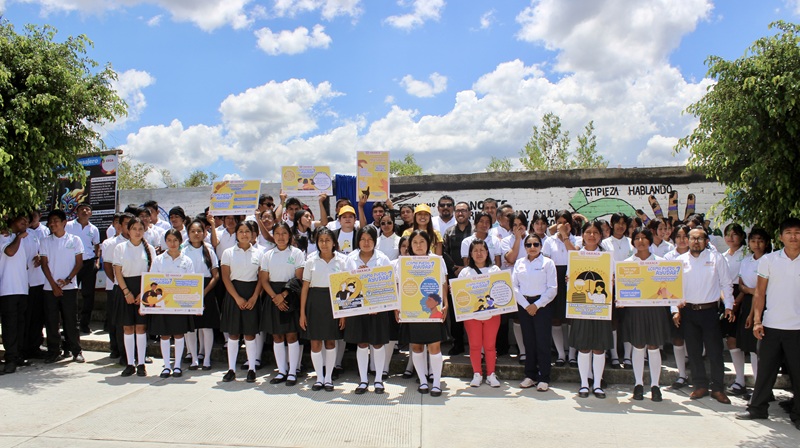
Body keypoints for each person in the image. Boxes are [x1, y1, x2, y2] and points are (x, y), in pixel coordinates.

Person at [736, 217, 800, 430]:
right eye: (789, 233)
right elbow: (760, 293)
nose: (793, 237)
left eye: (797, 232)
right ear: (781, 237)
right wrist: (757, 321)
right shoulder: (769, 260)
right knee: (765, 371)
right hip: (771, 325)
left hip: (797, 328)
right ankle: (757, 408)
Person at [673, 227, 734, 404]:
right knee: (693, 351)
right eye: (692, 238)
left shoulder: (716, 258)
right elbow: (673, 288)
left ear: (706, 241)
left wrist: (729, 306)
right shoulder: (679, 261)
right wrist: (675, 310)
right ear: (687, 241)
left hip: (709, 312)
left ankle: (718, 388)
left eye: (700, 239)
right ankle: (700, 385)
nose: (696, 242)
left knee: (715, 352)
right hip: (688, 312)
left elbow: (726, 283)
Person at [621, 227, 670, 401]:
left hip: (655, 309)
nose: (640, 241)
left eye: (644, 237)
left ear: (650, 240)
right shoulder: (626, 264)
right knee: (638, 346)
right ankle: (638, 384)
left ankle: (655, 385)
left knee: (654, 347)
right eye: (637, 238)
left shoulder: (661, 262)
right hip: (635, 310)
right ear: (633, 241)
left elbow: (669, 288)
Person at [344, 226, 394, 394]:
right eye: (363, 239)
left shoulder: (383, 259)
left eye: (370, 239)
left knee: (378, 343)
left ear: (375, 241)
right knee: (362, 343)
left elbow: (389, 284)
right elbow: (344, 283)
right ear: (358, 241)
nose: (366, 243)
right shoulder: (350, 259)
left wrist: (378, 305)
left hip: (377, 310)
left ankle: (378, 379)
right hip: (357, 308)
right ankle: (363, 380)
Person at [399, 230, 449, 397]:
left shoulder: (437, 260)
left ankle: (436, 383)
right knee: (416, 347)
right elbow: (398, 285)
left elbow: (443, 283)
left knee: (435, 347)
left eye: (422, 242)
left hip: (432, 312)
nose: (418, 245)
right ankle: (422, 381)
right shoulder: (403, 262)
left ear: (428, 244)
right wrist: (397, 307)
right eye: (415, 242)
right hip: (412, 311)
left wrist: (446, 304)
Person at [299, 227, 346, 392]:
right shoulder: (311, 261)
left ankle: (328, 378)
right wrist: (302, 313)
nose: (324, 244)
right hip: (315, 303)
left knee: (331, 341)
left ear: (334, 242)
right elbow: (305, 288)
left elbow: (345, 287)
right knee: (315, 342)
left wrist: (343, 313)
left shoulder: (342, 261)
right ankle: (319, 377)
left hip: (333, 302)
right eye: (321, 240)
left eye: (327, 240)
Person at [570, 221, 613, 399]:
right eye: (588, 232)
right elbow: (571, 280)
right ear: (582, 235)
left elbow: (612, 279)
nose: (592, 235)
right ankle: (584, 383)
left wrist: (612, 280)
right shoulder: (575, 256)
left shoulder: (607, 256)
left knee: (599, 348)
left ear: (601, 235)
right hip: (581, 308)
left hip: (601, 308)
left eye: (596, 232)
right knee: (584, 347)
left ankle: (597, 384)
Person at [259, 222, 305, 385]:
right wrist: (275, 297)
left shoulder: (297, 253)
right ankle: (281, 370)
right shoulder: (267, 255)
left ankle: (292, 371)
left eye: (284, 233)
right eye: (277, 233)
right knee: (277, 335)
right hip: (273, 295)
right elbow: (264, 280)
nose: (281, 237)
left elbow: (299, 277)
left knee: (291, 334)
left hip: (290, 294)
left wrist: (284, 295)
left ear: (289, 235)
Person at [39, 209, 85, 364]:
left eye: (56, 221)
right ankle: (54, 351)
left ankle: (75, 350)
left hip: (69, 288)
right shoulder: (45, 241)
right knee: (51, 321)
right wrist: (54, 285)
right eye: (50, 221)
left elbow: (79, 263)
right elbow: (44, 264)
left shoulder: (75, 240)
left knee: (71, 321)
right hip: (50, 288)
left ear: (64, 222)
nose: (52, 224)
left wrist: (67, 280)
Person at [512, 233, 557, 392]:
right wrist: (526, 305)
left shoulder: (548, 263)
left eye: (536, 244)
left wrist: (536, 305)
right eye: (529, 245)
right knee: (529, 341)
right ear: (524, 247)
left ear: (541, 246)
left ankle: (544, 377)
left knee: (543, 342)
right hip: (524, 306)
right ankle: (530, 375)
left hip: (542, 306)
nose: (532, 247)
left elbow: (552, 289)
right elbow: (514, 287)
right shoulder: (519, 263)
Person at [113, 217, 157, 377]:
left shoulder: (149, 249)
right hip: (125, 289)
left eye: (140, 229)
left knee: (141, 328)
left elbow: (153, 272)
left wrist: (143, 292)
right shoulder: (120, 247)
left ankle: (141, 363)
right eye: (134, 229)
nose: (137, 232)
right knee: (128, 327)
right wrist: (126, 292)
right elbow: (117, 272)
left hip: (143, 289)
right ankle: (130, 363)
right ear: (128, 230)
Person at [220, 221, 263, 383]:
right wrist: (237, 298)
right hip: (234, 294)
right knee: (233, 333)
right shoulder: (228, 253)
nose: (244, 234)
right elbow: (225, 277)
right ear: (236, 234)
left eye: (247, 231)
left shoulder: (259, 253)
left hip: (252, 293)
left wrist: (254, 297)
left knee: (250, 334)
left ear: (253, 234)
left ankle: (251, 369)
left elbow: (261, 278)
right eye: (241, 231)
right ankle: (231, 369)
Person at [149, 229, 195, 378]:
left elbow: (191, 282)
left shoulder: (186, 260)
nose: (172, 243)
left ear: (180, 241)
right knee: (164, 335)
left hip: (179, 303)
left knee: (179, 334)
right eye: (169, 240)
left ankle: (177, 366)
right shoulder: (159, 260)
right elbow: (152, 280)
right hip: (163, 303)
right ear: (165, 242)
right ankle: (166, 366)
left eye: (175, 240)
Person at [460, 239, 502, 388]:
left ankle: (491, 374)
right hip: (472, 316)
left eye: (482, 250)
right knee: (475, 345)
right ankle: (477, 373)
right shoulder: (465, 272)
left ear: (487, 252)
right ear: (470, 254)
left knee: (490, 346)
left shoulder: (495, 270)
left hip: (492, 315)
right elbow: (460, 294)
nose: (479, 253)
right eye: (475, 250)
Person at [734, 227, 771, 388]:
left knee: (760, 347)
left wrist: (756, 292)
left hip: (766, 302)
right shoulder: (746, 261)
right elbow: (741, 285)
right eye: (753, 241)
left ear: (766, 243)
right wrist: (752, 291)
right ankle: (752, 384)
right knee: (749, 345)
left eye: (760, 241)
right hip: (748, 301)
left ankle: (762, 386)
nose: (756, 244)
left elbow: (763, 290)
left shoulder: (769, 260)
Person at [542, 210, 579, 367]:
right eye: (559, 223)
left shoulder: (577, 238)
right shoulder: (549, 241)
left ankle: (572, 354)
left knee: (571, 318)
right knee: (556, 318)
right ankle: (561, 354)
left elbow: (576, 256)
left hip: (573, 278)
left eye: (565, 222)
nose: (562, 225)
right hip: (555, 278)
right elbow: (546, 262)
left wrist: (565, 236)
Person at [182, 218, 220, 371]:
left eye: (199, 231)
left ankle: (207, 358)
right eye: (192, 231)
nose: (196, 234)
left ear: (205, 233)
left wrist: (203, 292)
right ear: (188, 233)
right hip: (188, 290)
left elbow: (215, 275)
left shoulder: (209, 250)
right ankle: (194, 358)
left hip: (206, 290)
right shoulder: (183, 250)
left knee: (206, 326)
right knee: (191, 327)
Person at [602, 212, 633, 369]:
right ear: (612, 224)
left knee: (628, 321)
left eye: (623, 223)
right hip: (611, 286)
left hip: (630, 286)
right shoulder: (605, 243)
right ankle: (614, 356)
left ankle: (627, 357)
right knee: (613, 321)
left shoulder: (632, 242)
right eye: (617, 223)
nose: (621, 226)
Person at [1, 214, 31, 373]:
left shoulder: (24, 239)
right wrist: (18, 237)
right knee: (10, 326)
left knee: (20, 325)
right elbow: (10, 252)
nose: (25, 223)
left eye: (27, 221)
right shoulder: (4, 236)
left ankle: (18, 355)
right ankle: (10, 359)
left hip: (22, 289)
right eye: (22, 220)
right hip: (8, 289)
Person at [721, 223, 748, 396]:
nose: (731, 238)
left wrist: (736, 302)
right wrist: (727, 302)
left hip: (742, 296)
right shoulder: (722, 256)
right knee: (731, 340)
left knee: (742, 340)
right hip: (726, 297)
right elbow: (720, 281)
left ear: (742, 236)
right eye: (727, 234)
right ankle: (740, 380)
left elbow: (747, 281)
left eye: (734, 234)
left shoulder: (747, 254)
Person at [65, 203, 100, 334]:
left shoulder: (94, 229)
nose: (84, 211)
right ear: (77, 212)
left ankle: (84, 324)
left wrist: (97, 261)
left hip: (89, 263)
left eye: (87, 209)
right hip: (72, 263)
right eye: (81, 209)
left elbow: (97, 246)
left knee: (88, 295)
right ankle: (70, 325)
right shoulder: (69, 225)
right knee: (70, 294)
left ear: (91, 213)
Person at [443, 201, 472, 356]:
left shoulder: (475, 231)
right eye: (458, 211)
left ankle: (475, 345)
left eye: (464, 210)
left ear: (469, 213)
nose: (460, 213)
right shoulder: (449, 232)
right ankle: (458, 343)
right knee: (455, 314)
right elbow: (444, 253)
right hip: (454, 276)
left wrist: (466, 269)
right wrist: (455, 268)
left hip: (473, 277)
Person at [664, 224, 691, 388]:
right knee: (677, 339)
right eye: (678, 237)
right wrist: (675, 309)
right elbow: (668, 284)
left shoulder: (696, 255)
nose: (682, 240)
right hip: (675, 304)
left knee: (693, 339)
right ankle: (681, 375)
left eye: (685, 236)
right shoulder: (668, 257)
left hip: (693, 303)